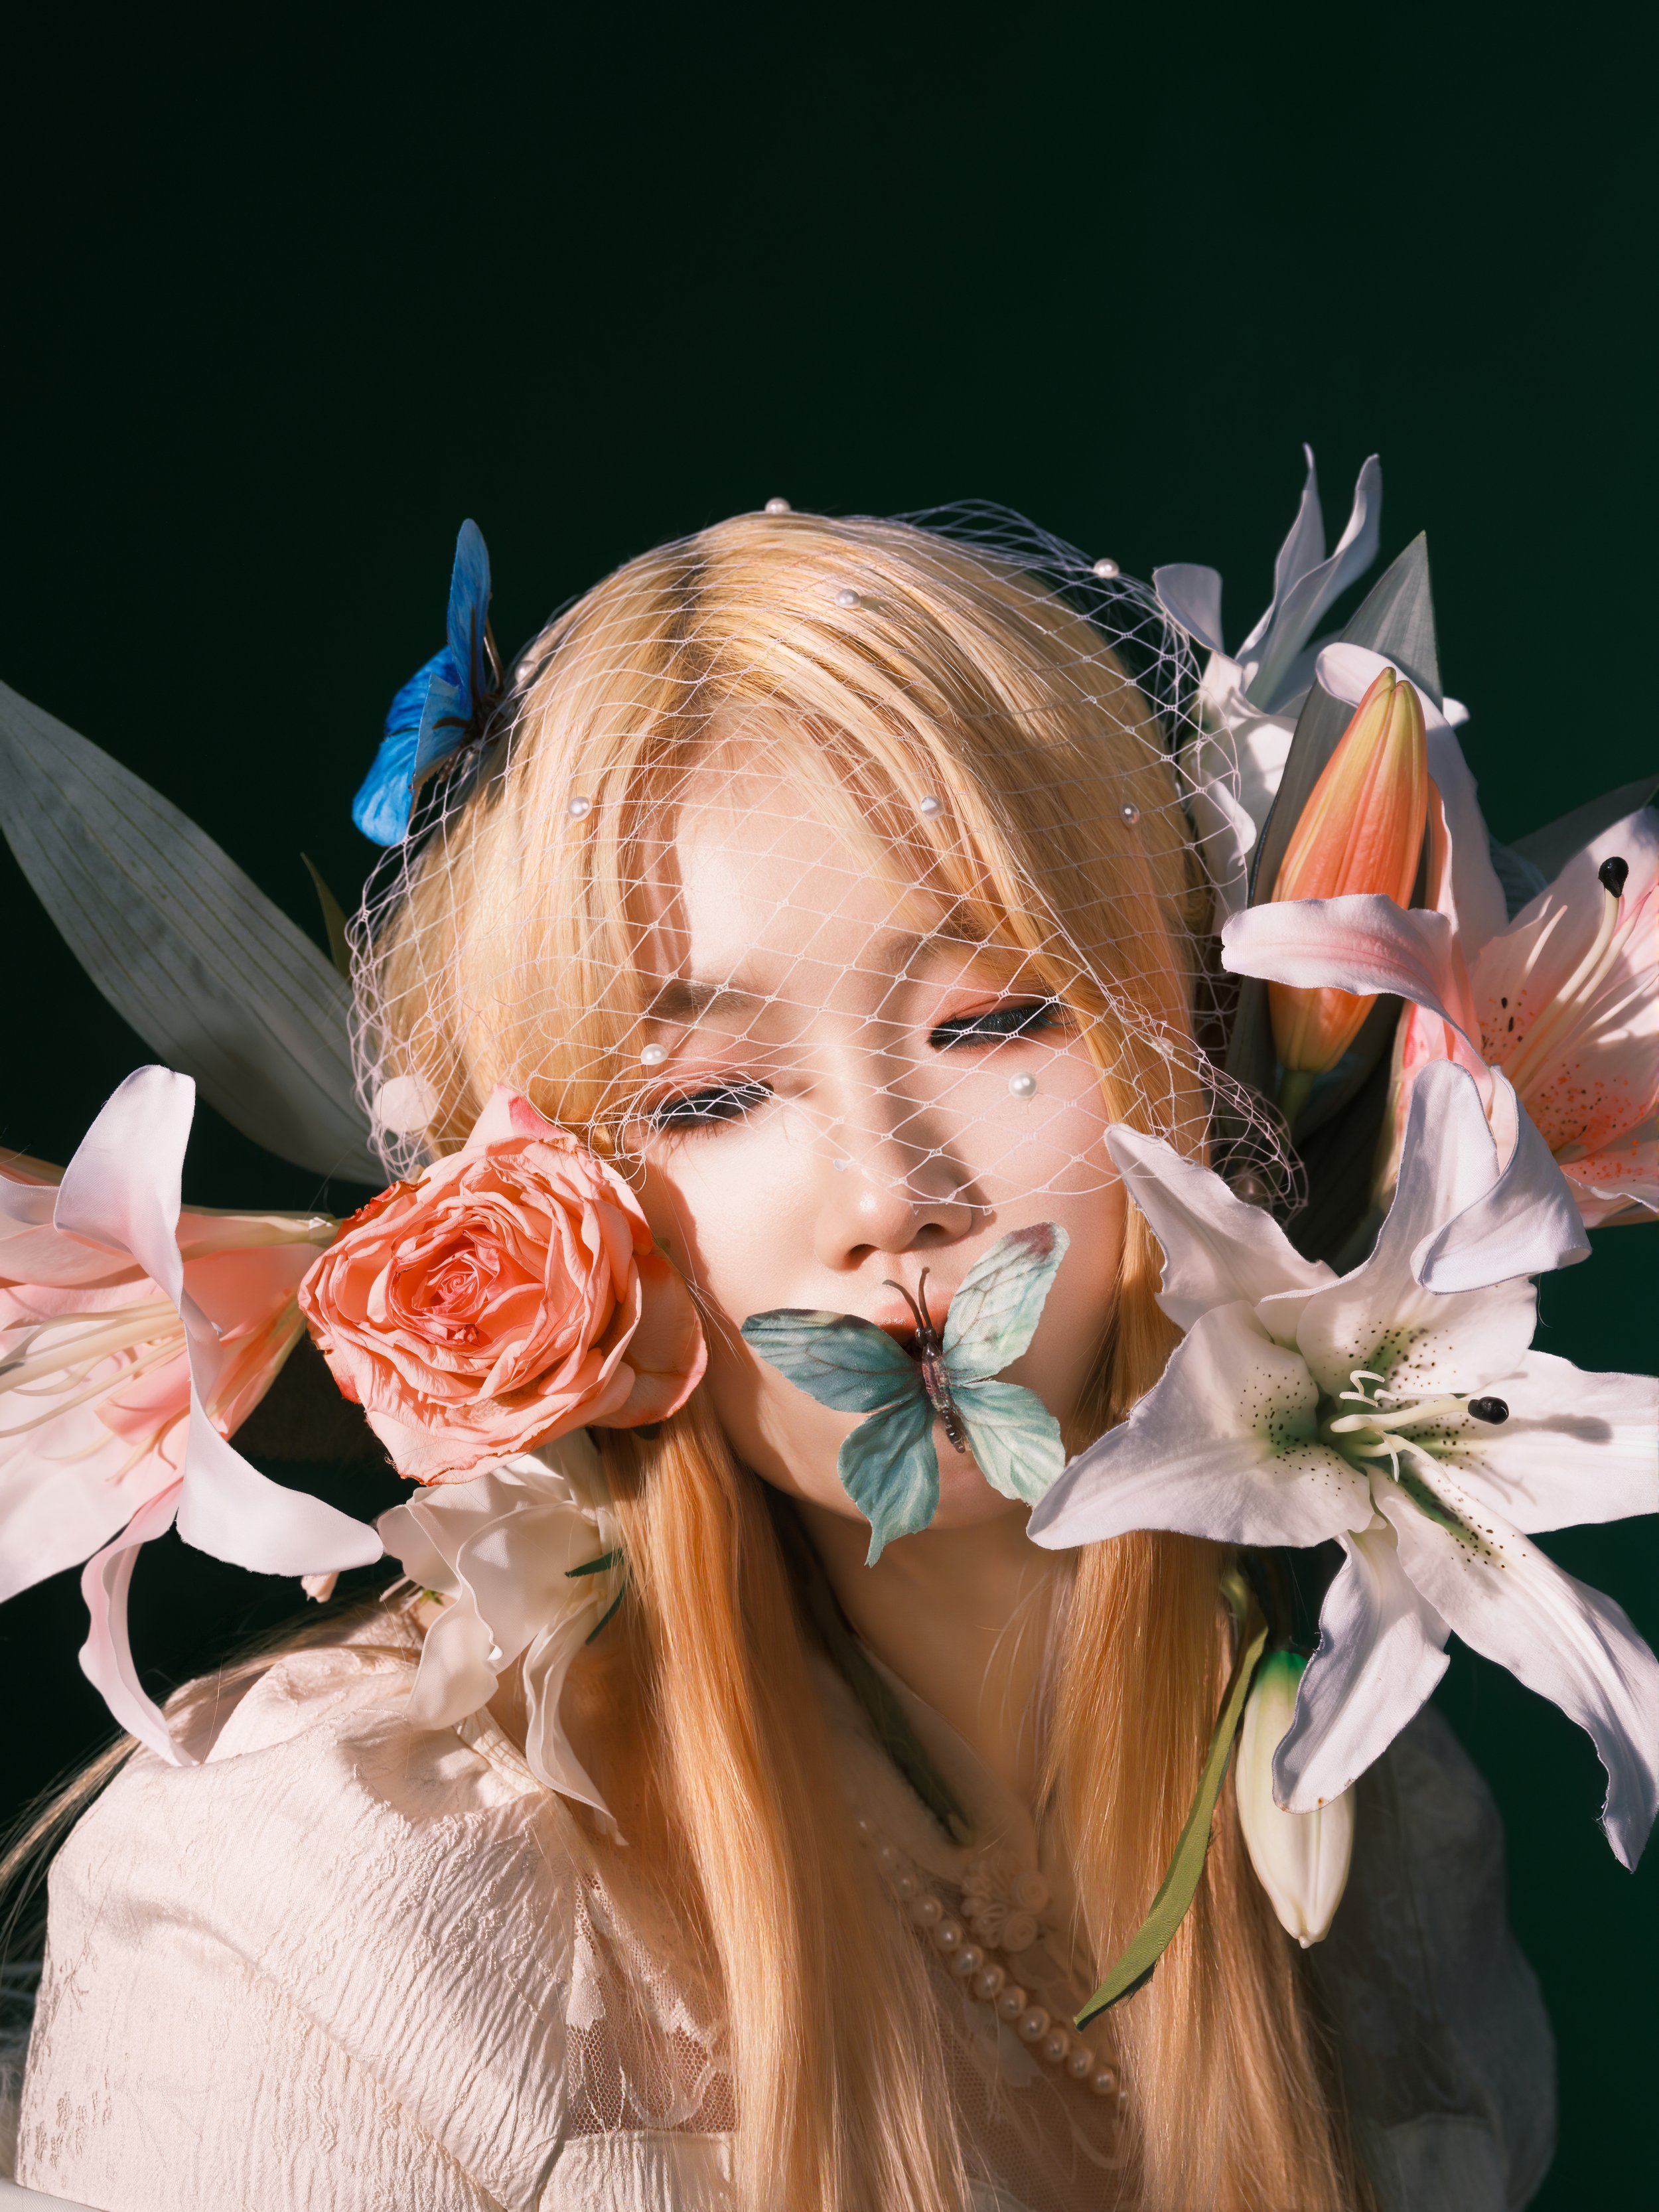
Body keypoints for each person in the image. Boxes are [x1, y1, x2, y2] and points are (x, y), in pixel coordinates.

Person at [2, 506, 1580, 2210]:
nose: (891, 1192)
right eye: (706, 1095)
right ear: (551, 1189)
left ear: (1195, 1059)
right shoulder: (325, 1888)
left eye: (992, 1020)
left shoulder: (1389, 1852)